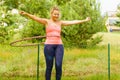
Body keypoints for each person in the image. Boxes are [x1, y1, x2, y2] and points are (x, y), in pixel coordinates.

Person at [20, 6, 90, 80]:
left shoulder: (60, 23)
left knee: (58, 65)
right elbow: (36, 18)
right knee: (49, 66)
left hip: (59, 46)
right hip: (48, 46)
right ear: (51, 14)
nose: (56, 16)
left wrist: (84, 20)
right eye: (55, 14)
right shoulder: (47, 22)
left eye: (57, 14)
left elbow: (72, 22)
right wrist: (27, 14)